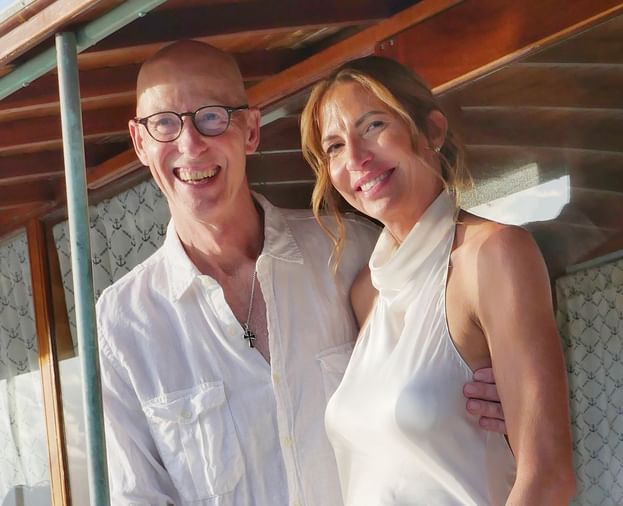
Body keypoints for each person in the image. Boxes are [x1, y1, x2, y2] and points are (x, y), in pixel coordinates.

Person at [98, 40, 504, 505]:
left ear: (250, 130)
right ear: (140, 142)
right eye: (164, 123)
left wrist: (497, 390)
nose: (190, 144)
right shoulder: (123, 323)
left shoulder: (355, 253)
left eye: (212, 116)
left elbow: (458, 357)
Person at [301, 56, 576, 505]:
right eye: (333, 146)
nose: (355, 158)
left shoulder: (492, 255)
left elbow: (548, 479)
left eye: (372, 126)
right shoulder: (366, 293)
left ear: (432, 131)